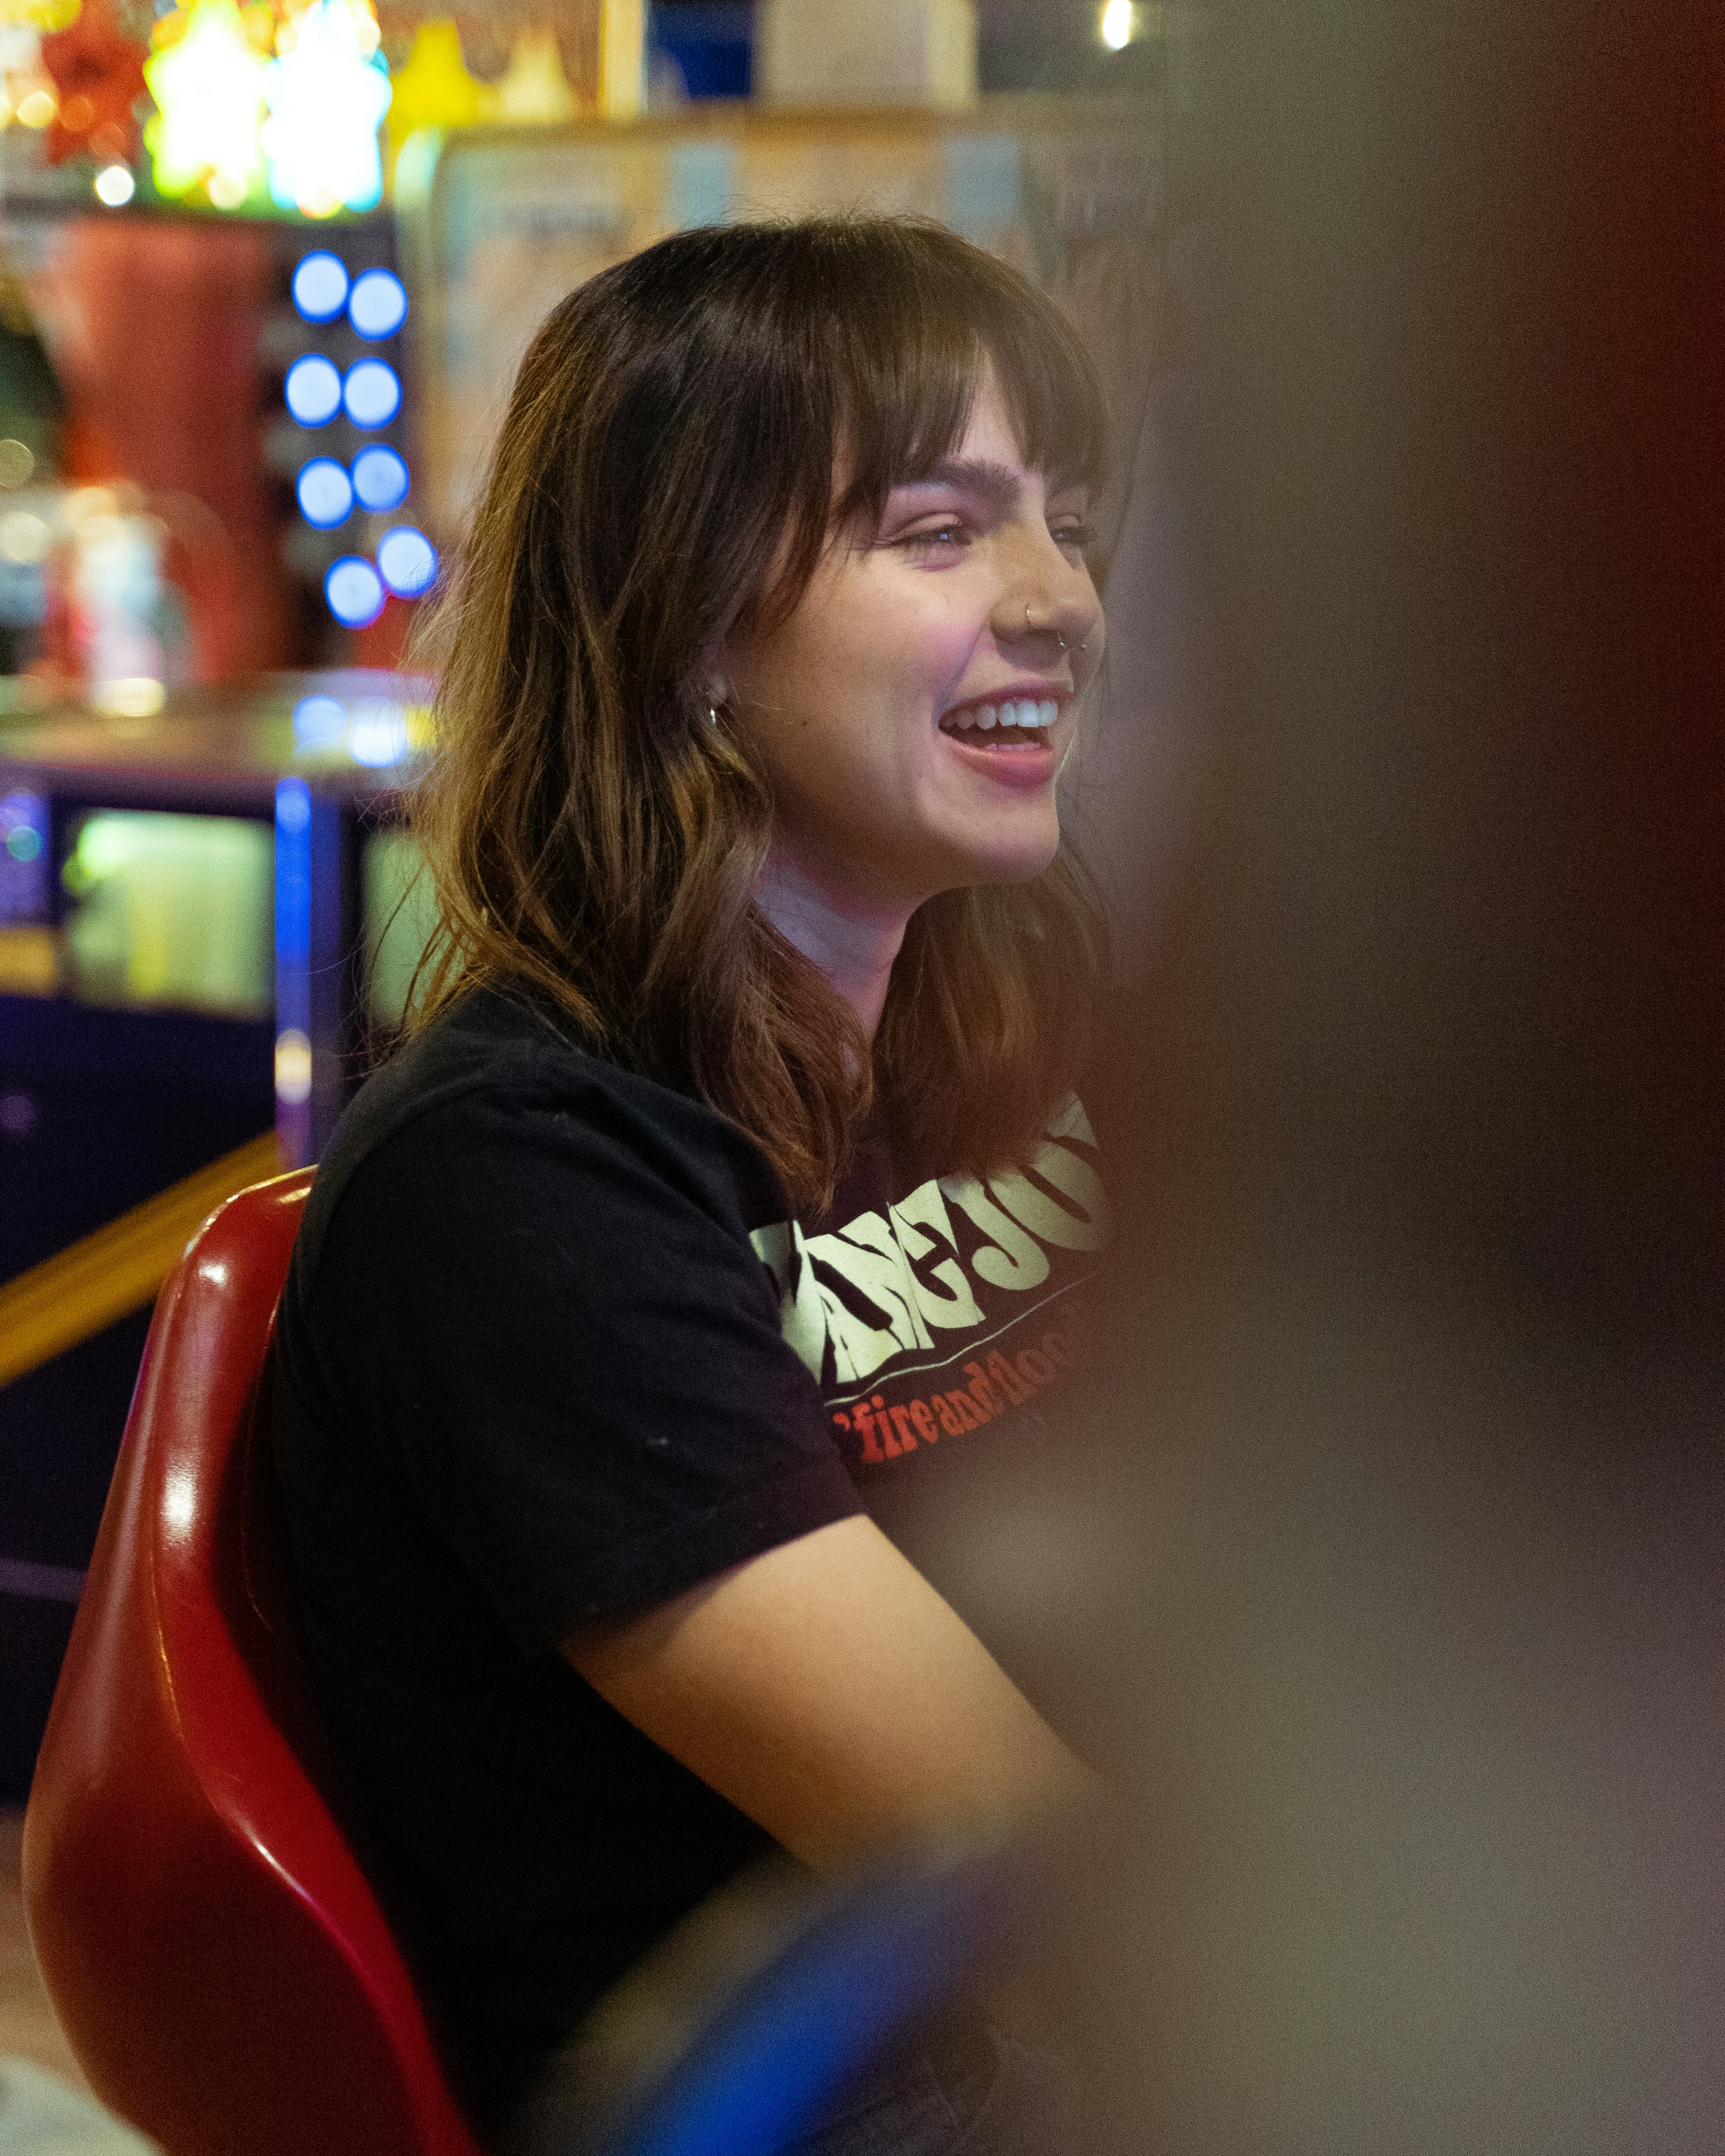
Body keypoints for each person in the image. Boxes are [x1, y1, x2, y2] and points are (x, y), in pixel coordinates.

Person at [273, 216, 1110, 2150]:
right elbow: (1013, 1857)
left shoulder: (1012, 1030)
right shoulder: (517, 1179)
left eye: (1062, 515)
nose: (1061, 594)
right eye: (940, 526)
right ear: (691, 620)